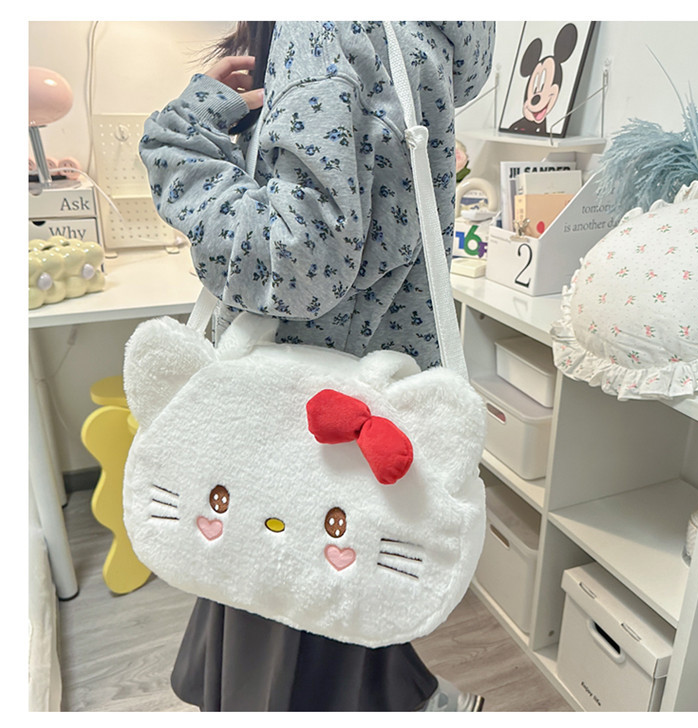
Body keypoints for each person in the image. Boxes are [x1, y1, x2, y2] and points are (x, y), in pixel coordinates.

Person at [139, 20, 495, 712]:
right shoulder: (420, 36)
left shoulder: (326, 28)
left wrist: (179, 144)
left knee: (275, 617)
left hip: (288, 419)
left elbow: (296, 264)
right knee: (341, 595)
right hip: (365, 393)